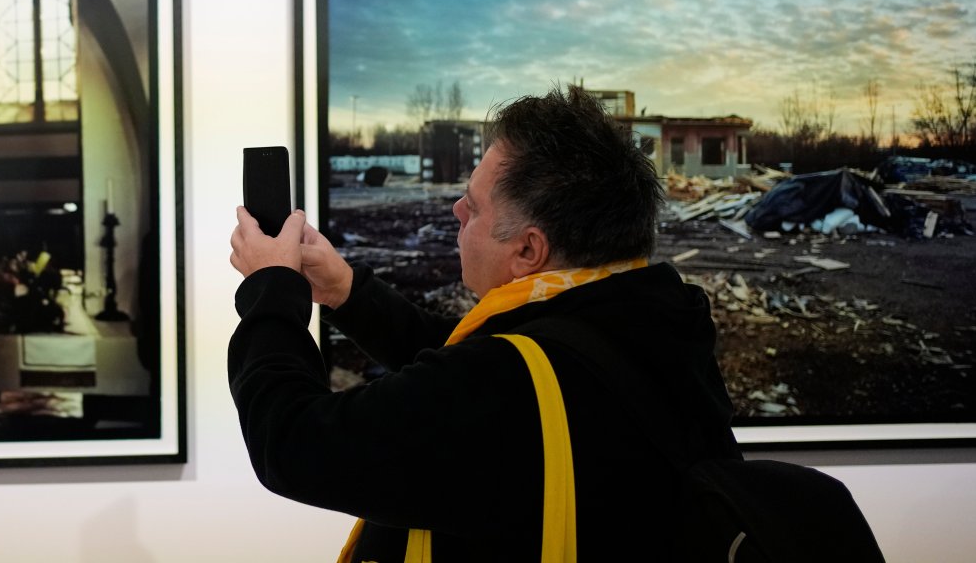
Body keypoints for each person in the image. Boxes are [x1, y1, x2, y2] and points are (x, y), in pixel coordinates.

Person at [226, 86, 739, 560]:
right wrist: (345, 291)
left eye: (472, 207)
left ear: (527, 249)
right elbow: (461, 373)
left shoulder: (507, 386)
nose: (455, 212)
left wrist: (271, 291)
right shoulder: (646, 326)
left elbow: (293, 442)